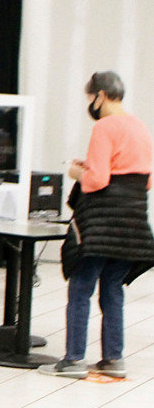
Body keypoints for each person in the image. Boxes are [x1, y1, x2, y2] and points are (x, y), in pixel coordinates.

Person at [38, 71, 154, 378]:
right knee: (112, 289)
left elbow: (98, 181)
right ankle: (114, 359)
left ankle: (74, 359)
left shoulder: (105, 126)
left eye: (90, 98)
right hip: (131, 224)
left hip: (101, 223)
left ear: (101, 95)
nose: (90, 104)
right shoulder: (139, 126)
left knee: (81, 287)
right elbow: (145, 181)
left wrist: (79, 173)